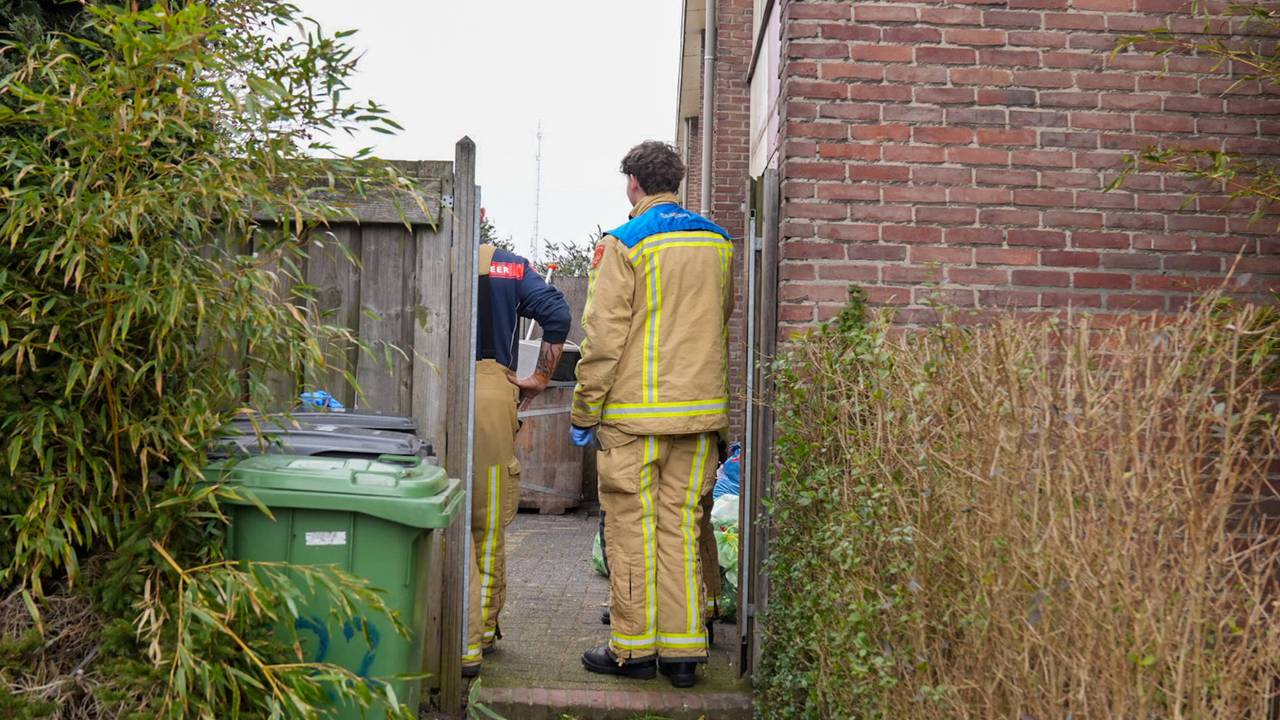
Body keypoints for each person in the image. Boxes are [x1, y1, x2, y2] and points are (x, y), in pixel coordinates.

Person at [571, 141, 733, 689]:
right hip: (700, 418)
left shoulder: (623, 243)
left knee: (631, 531)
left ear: (633, 183)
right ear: (677, 182)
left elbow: (602, 338)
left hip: (634, 422)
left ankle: (634, 651)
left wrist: (585, 410)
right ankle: (685, 657)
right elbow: (721, 318)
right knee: (682, 530)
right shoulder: (719, 242)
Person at [462, 234, 571, 678]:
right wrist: (540, 377)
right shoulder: (505, 265)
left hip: (424, 388)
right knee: (485, 520)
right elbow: (558, 316)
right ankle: (479, 636)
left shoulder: (430, 249)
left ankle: (446, 637)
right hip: (489, 395)